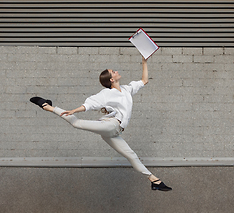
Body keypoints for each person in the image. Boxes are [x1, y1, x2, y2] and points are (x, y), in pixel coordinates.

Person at [30, 56, 172, 191]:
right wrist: (75, 110)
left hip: (114, 132)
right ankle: (48, 106)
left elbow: (144, 80)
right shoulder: (107, 93)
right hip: (110, 125)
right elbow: (91, 104)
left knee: (131, 155)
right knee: (76, 123)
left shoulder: (127, 89)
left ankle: (155, 181)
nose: (116, 71)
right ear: (111, 79)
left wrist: (144, 61)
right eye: (113, 72)